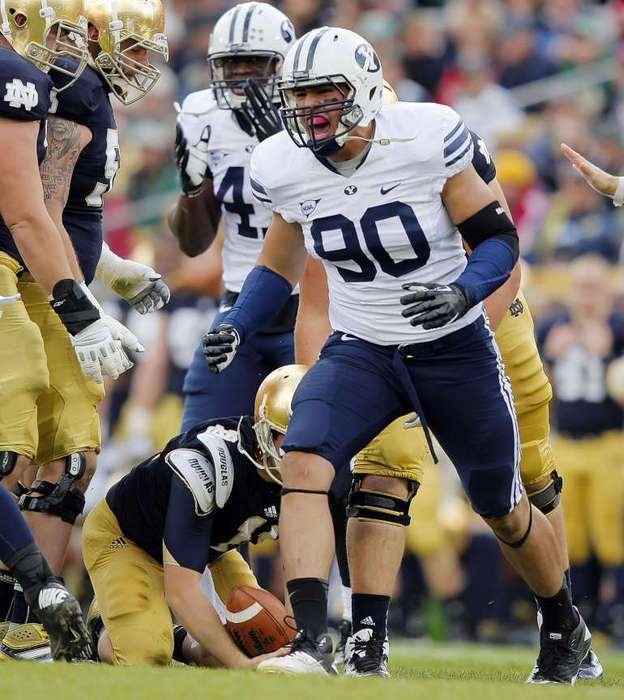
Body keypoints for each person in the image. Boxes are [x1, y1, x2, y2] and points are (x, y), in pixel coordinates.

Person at [202, 28, 590, 684]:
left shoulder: (425, 137)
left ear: (363, 92)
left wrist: (461, 292)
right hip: (364, 347)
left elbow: (498, 240)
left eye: (326, 91)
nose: (312, 107)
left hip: (452, 344)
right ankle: (314, 642)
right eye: (300, 94)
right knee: (306, 457)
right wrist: (239, 321)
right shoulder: (284, 164)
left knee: (498, 500)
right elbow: (278, 264)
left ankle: (562, 623)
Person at [296, 86, 602, 679]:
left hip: (485, 327)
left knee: (523, 480)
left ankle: (560, 620)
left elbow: (501, 254)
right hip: (384, 340)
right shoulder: (318, 174)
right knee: (381, 469)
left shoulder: (433, 148)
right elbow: (315, 299)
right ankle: (368, 637)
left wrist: (453, 350)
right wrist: (323, 386)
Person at [0, 0, 171, 641]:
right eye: (130, 46)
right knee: (14, 439)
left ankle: (25, 622)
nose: (140, 62)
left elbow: (69, 211)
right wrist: (86, 305)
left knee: (74, 454)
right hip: (29, 275)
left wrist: (112, 266)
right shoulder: (66, 85)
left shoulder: (85, 87)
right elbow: (36, 207)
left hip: (50, 270)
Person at [82, 365, 307, 667]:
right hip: (127, 536)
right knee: (146, 655)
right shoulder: (210, 462)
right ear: (265, 429)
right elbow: (181, 590)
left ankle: (183, 644)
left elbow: (302, 570)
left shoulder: (315, 469)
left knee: (257, 639)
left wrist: (301, 643)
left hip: (210, 546)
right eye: (289, 436)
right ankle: (100, 626)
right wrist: (239, 665)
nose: (301, 449)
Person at [168, 1, 297, 430]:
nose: (243, 74)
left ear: (284, 64)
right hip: (238, 308)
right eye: (231, 63)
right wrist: (191, 191)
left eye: (255, 62)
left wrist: (278, 146)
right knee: (197, 449)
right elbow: (193, 242)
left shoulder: (311, 115)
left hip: (313, 309)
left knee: (312, 455)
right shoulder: (201, 114)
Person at [538, 255, 624, 645]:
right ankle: (584, 614)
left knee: (611, 530)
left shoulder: (619, 327)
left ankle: (616, 611)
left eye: (595, 287)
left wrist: (608, 357)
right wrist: (550, 359)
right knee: (573, 534)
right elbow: (538, 388)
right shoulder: (554, 326)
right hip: (567, 443)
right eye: (582, 287)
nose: (587, 296)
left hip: (611, 443)